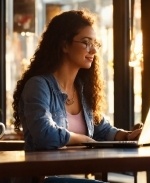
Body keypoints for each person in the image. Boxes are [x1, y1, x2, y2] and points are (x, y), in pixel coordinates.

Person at [12, 10, 142, 151]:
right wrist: (82, 139)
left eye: (94, 44)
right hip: (48, 172)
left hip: (81, 171)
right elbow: (44, 135)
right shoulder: (38, 85)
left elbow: (102, 130)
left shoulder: (82, 88)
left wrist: (127, 136)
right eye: (86, 43)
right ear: (64, 45)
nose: (93, 51)